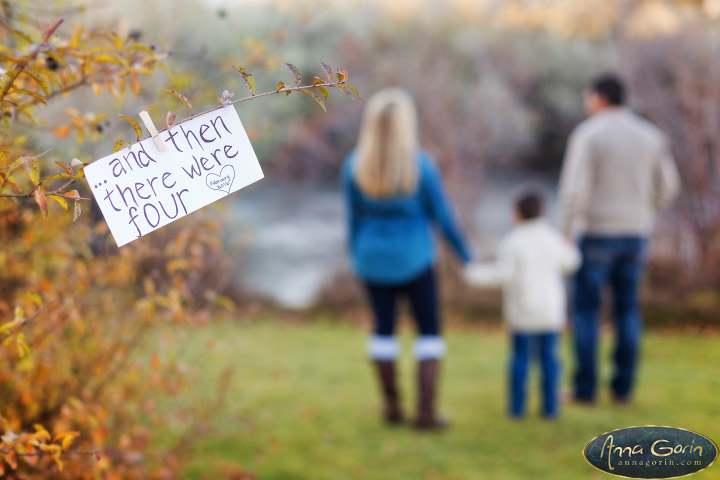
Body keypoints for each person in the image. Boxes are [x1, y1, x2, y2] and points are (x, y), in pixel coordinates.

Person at [341, 88, 472, 429]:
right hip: (415, 258)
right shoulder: (421, 166)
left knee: (383, 330)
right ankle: (426, 413)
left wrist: (356, 256)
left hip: (371, 258)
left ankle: (391, 407)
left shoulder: (355, 165)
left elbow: (352, 220)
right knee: (428, 331)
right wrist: (466, 257)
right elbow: (443, 219)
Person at [558, 74, 681, 404]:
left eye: (587, 98)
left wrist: (566, 230)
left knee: (586, 312)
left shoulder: (588, 134)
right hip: (635, 234)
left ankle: (585, 389)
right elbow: (669, 187)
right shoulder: (650, 135)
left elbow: (574, 191)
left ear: (598, 98)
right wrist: (645, 213)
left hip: (596, 234)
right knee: (627, 311)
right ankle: (622, 388)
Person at [464, 190, 580, 418]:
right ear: (543, 212)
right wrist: (573, 245)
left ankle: (517, 408)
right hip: (550, 314)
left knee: (520, 360)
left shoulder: (512, 242)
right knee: (549, 361)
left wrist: (473, 273)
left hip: (522, 314)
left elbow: (503, 275)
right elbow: (571, 262)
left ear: (515, 214)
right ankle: (550, 408)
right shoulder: (553, 238)